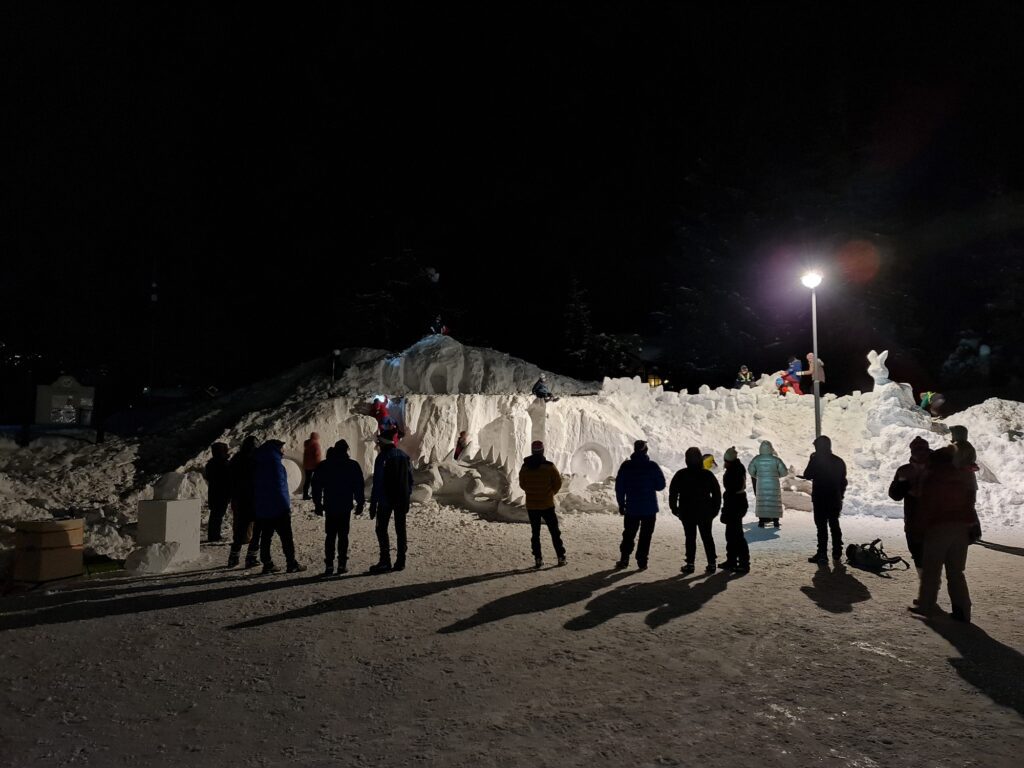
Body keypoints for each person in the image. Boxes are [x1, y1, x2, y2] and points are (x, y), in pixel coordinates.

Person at [911, 445, 975, 622]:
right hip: (960, 528)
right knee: (956, 571)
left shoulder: (933, 478)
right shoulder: (962, 475)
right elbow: (970, 503)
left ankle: (926, 606)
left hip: (939, 528)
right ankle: (962, 610)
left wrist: (918, 530)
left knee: (932, 570)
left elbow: (927, 507)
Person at [311, 440, 365, 575]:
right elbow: (358, 486)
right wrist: (360, 503)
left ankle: (329, 565)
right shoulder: (352, 465)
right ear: (346, 450)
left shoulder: (325, 465)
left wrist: (317, 503)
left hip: (330, 505)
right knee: (343, 535)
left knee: (330, 535)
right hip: (345, 505)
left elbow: (316, 486)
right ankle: (342, 564)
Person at [253, 439, 306, 574]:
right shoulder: (275, 464)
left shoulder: (258, 462)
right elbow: (279, 488)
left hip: (263, 507)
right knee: (286, 537)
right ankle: (291, 563)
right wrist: (285, 506)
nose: (284, 450)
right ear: (276, 448)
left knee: (266, 537)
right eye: (282, 448)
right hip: (278, 508)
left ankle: (267, 564)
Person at [614, 440, 667, 570]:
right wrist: (651, 484)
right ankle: (642, 561)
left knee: (629, 534)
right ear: (645, 450)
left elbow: (619, 487)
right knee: (646, 535)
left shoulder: (626, 466)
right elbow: (661, 486)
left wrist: (621, 504)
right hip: (649, 509)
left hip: (632, 508)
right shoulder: (652, 466)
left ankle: (624, 558)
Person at [669, 447, 721, 574]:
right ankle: (712, 563)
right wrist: (714, 510)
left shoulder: (681, 474)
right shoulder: (707, 475)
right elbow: (717, 494)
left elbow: (673, 493)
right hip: (705, 512)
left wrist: (675, 509)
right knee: (707, 537)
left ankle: (690, 564)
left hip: (687, 512)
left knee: (690, 537)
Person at [517, 440, 566, 568]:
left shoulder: (525, 467)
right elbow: (558, 482)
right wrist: (551, 493)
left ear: (532, 451)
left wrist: (531, 491)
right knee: (554, 532)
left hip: (532, 505)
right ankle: (561, 557)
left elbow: (522, 484)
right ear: (543, 450)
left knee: (535, 533)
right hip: (547, 504)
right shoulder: (549, 466)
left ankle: (538, 559)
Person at [368, 437, 414, 573]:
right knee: (401, 530)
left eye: (379, 443)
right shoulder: (404, 456)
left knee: (381, 529)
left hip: (385, 499)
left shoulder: (382, 457)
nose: (378, 445)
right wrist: (407, 495)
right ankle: (401, 561)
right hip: (402, 499)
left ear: (383, 443)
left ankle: (385, 561)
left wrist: (373, 503)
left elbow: (378, 482)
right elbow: (410, 479)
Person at [801, 435, 848, 564]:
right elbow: (843, 481)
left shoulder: (816, 461)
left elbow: (807, 475)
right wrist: (840, 495)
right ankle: (837, 552)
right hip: (834, 498)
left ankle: (822, 554)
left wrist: (812, 459)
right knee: (834, 524)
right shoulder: (839, 461)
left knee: (821, 527)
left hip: (820, 498)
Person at [888, 436, 931, 573]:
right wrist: (904, 483)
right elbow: (895, 495)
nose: (920, 454)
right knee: (919, 556)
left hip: (930, 522)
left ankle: (928, 588)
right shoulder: (904, 470)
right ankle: (928, 587)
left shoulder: (938, 469)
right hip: (915, 522)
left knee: (926, 557)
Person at [227, 435, 260, 568]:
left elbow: (229, 480)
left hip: (240, 500)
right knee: (257, 529)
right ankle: (251, 558)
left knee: (240, 530)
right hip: (253, 499)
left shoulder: (236, 459)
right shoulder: (255, 460)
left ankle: (233, 557)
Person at [719, 446, 750, 573]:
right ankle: (732, 560)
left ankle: (743, 562)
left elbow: (731, 490)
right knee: (732, 534)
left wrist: (726, 510)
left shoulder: (734, 471)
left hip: (735, 505)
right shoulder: (737, 468)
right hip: (737, 504)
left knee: (736, 535)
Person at [949, 425, 982, 543]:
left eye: (953, 433)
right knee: (969, 507)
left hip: (960, 484)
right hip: (970, 483)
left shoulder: (956, 447)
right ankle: (975, 532)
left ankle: (971, 533)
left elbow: (952, 465)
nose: (951, 435)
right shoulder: (969, 447)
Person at [748, 440, 788, 528]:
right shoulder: (776, 460)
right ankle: (776, 521)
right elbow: (784, 472)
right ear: (771, 449)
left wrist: (757, 476)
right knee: (774, 501)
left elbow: (750, 470)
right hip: (774, 483)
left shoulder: (756, 459)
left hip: (761, 484)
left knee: (763, 501)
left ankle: (761, 521)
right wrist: (777, 475)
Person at [204, 442, 231, 542]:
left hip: (214, 493)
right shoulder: (224, 464)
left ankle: (213, 535)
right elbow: (229, 479)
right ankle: (214, 536)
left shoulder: (211, 464)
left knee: (215, 515)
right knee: (218, 515)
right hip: (222, 493)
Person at [302, 432, 323, 500]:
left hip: (307, 465)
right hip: (315, 465)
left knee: (307, 480)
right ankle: (315, 494)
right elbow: (317, 455)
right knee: (316, 481)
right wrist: (319, 465)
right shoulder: (316, 444)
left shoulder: (307, 444)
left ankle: (305, 495)